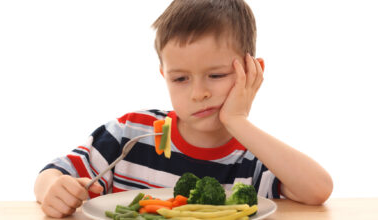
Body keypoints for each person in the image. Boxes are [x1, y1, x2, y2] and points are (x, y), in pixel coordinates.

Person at [34, 0, 333, 218]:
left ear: (251, 71)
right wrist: (54, 189)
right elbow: (54, 173)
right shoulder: (130, 133)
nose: (199, 93)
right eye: (180, 78)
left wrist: (237, 120)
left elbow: (318, 189)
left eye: (216, 76)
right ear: (165, 75)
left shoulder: (254, 159)